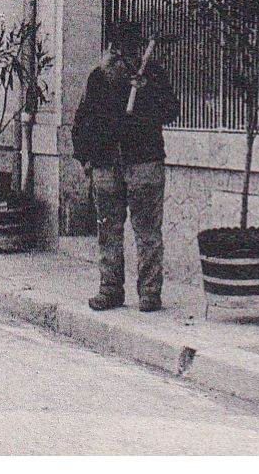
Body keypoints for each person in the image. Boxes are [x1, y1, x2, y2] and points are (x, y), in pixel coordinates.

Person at [71, 21, 179, 313]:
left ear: (137, 51)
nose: (121, 57)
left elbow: (171, 110)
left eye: (128, 50)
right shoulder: (98, 79)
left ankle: (149, 293)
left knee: (147, 232)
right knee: (108, 230)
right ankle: (109, 290)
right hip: (106, 165)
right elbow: (81, 121)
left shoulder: (152, 76)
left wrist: (147, 92)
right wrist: (86, 158)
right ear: (109, 50)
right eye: (115, 50)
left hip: (144, 164)